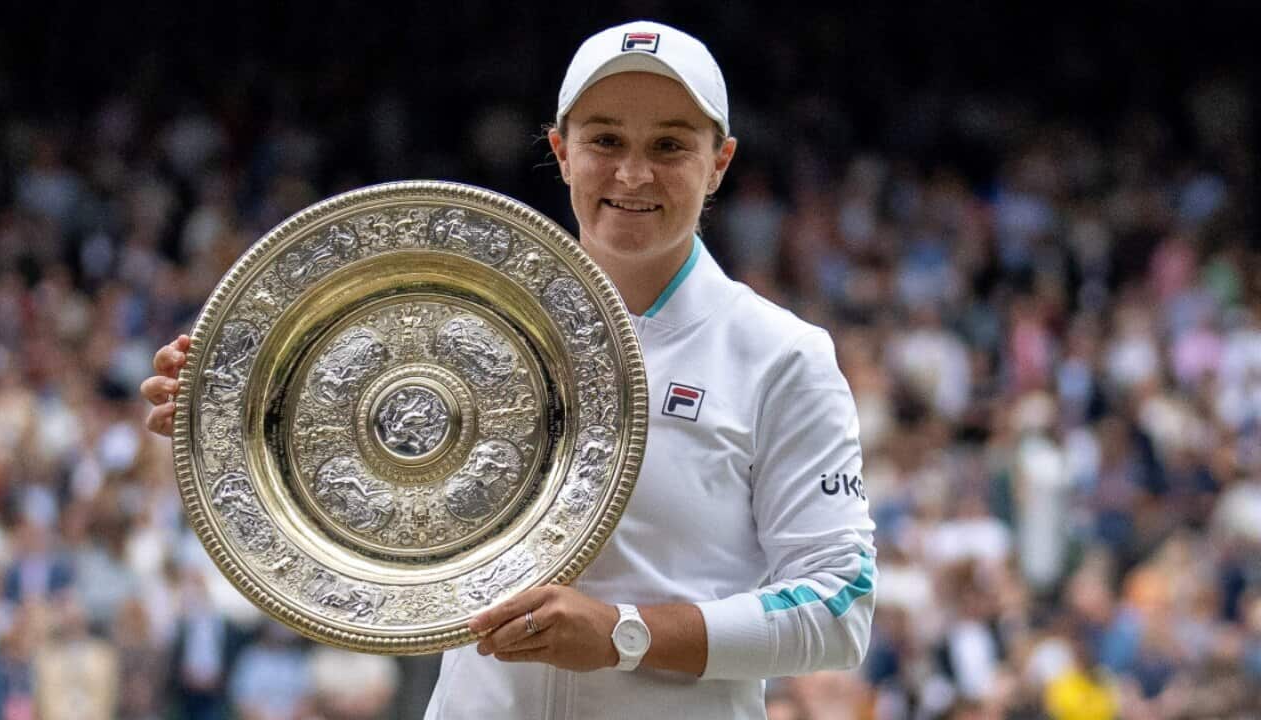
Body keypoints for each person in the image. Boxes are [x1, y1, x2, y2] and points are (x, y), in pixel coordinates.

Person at [140, 20, 877, 719]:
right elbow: (376, 466)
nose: (632, 172)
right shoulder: (462, 321)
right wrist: (237, 416)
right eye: (605, 139)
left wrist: (625, 634)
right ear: (562, 151)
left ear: (719, 163)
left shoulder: (781, 356)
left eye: (670, 145)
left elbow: (838, 605)